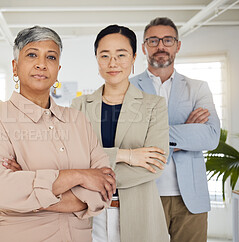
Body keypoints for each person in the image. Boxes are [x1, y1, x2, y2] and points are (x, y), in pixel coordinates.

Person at [0, 26, 116, 242]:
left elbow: (104, 190)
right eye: (32, 54)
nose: (42, 64)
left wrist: (28, 192)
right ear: (15, 67)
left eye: (50, 57)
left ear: (58, 69)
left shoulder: (78, 120)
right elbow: (2, 191)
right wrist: (80, 176)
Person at [71, 25, 170, 242]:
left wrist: (90, 176)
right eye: (104, 55)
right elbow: (73, 159)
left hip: (140, 214)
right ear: (96, 59)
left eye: (121, 55)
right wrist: (128, 156)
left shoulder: (154, 106)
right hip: (89, 215)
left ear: (134, 57)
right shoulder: (79, 106)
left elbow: (155, 165)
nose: (112, 63)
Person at [130, 17, 221, 242]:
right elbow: (127, 140)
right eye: (153, 41)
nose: (161, 46)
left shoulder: (198, 88)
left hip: (191, 200)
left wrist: (153, 135)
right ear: (143, 47)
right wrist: (187, 133)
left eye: (167, 40)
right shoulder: (128, 88)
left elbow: (210, 137)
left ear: (177, 45)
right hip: (144, 195)